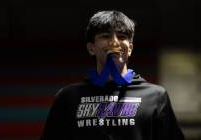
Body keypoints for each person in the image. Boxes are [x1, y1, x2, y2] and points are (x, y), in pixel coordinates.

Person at [40, 10, 185, 140]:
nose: (114, 42)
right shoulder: (68, 97)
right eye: (105, 36)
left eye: (121, 36)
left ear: (130, 49)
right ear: (91, 48)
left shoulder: (156, 96)